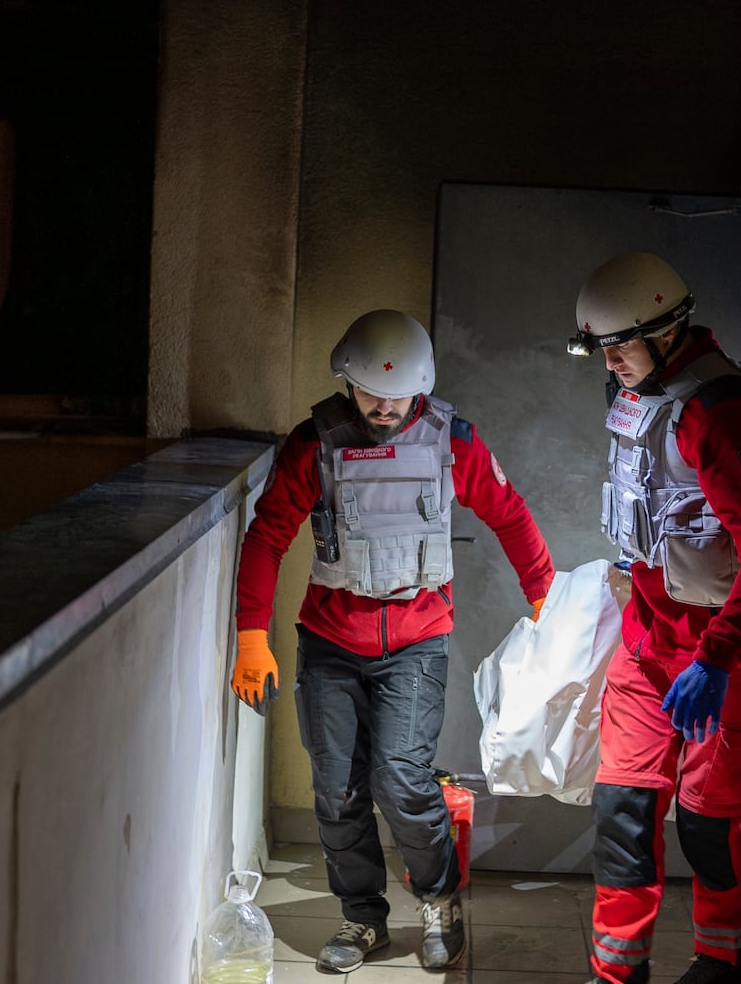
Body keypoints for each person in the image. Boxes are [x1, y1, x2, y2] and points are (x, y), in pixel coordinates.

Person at [231, 308, 554, 973]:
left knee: (402, 778)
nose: (383, 407)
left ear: (424, 385)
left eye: (398, 394)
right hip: (330, 641)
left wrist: (544, 591)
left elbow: (509, 511)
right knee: (337, 788)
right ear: (346, 380)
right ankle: (362, 918)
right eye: (371, 392)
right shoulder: (313, 444)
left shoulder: (451, 441)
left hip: (416, 642)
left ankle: (440, 900)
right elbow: (265, 536)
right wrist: (251, 637)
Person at [567, 253, 741, 984]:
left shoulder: (721, 411)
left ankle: (726, 963)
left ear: (670, 331)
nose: (610, 360)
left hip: (728, 654)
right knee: (624, 809)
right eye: (600, 347)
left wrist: (719, 657)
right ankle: (618, 972)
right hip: (652, 641)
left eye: (622, 344)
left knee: (706, 819)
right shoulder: (642, 393)